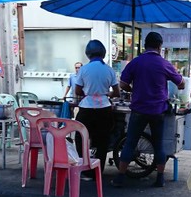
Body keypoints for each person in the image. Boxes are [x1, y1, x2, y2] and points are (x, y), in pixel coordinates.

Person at [111, 32, 184, 188]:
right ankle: (160, 178)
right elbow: (181, 83)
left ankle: (120, 177)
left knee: (130, 142)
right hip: (158, 110)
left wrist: (133, 90)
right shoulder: (164, 64)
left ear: (145, 46)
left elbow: (123, 84)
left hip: (138, 109)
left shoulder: (136, 62)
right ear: (160, 46)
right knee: (158, 144)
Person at [74, 40, 119, 180]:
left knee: (81, 138)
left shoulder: (84, 69)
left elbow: (77, 90)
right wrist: (106, 94)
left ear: (88, 54)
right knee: (102, 140)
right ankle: (98, 171)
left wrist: (88, 93)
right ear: (103, 53)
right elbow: (116, 92)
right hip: (104, 108)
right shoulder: (109, 70)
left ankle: (84, 167)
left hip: (86, 108)